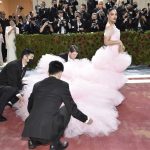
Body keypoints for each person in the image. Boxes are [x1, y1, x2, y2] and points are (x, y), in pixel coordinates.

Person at [16, 8, 131, 138]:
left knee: (110, 75)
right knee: (105, 75)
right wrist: (119, 42)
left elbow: (32, 106)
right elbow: (106, 41)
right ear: (108, 15)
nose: (114, 16)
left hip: (113, 53)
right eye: (112, 14)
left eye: (116, 14)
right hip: (109, 53)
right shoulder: (109, 26)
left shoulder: (40, 86)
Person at [22, 61, 93, 150]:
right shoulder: (63, 85)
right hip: (48, 135)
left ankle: (33, 142)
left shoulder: (37, 85)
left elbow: (30, 106)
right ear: (60, 72)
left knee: (41, 113)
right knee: (67, 109)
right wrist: (86, 119)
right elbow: (72, 109)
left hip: (30, 130)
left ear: (48, 72)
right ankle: (55, 144)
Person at [0, 48, 34, 122]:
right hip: (2, 85)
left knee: (25, 87)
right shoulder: (13, 65)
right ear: (25, 56)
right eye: (31, 57)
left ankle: (10, 103)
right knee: (11, 90)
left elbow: (18, 80)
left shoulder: (24, 65)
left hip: (9, 84)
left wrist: (23, 87)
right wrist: (20, 97)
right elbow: (12, 83)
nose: (32, 59)